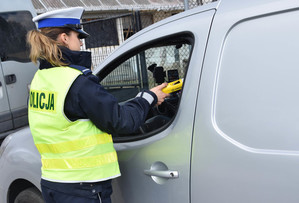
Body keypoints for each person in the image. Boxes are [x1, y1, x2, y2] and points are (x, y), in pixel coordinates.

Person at [27, 7, 169, 203]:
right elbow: (121, 121)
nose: (81, 41)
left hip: (53, 183)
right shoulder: (77, 81)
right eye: (78, 36)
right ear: (65, 38)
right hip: (84, 187)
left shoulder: (40, 79)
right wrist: (148, 97)